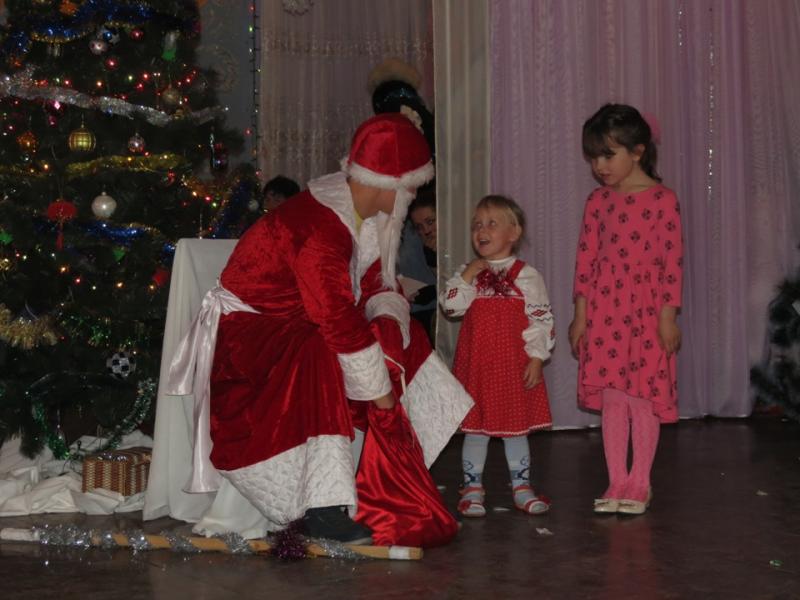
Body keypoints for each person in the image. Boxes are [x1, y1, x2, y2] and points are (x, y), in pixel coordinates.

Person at [167, 113, 437, 545]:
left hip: (296, 321)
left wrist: (388, 320)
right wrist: (380, 394)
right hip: (251, 337)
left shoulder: (359, 214)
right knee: (322, 352)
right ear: (390, 184)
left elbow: (374, 284)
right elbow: (335, 318)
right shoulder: (319, 227)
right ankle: (321, 506)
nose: (413, 196)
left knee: (400, 336)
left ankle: (389, 478)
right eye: (412, 187)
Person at [568, 103, 683, 516]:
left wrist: (667, 317)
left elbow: (672, 263)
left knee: (642, 398)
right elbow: (585, 260)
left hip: (647, 311)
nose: (599, 166)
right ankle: (617, 479)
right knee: (614, 398)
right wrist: (581, 315)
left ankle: (640, 482)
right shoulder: (598, 201)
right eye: (594, 157)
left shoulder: (663, 200)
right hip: (605, 310)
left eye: (608, 155)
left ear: (637, 151)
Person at [440, 195, 555, 517]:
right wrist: (467, 275)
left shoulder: (527, 275)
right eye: (477, 225)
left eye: (492, 223)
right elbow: (451, 307)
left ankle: (522, 487)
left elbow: (541, 320)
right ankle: (472, 488)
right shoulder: (468, 275)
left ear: (513, 233)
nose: (482, 230)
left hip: (510, 367)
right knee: (475, 431)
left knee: (514, 429)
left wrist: (536, 357)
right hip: (477, 368)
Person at [397, 188, 437, 343]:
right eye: (419, 226)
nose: (426, 230)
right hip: (412, 313)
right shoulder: (419, 242)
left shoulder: (457, 239)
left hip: (438, 314)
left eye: (430, 221)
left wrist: (434, 291)